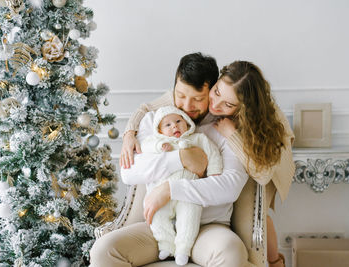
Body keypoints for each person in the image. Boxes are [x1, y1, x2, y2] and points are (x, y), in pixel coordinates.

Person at [118, 58, 295, 267]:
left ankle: (276, 263)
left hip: (268, 165)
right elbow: (148, 107)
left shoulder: (246, 122)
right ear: (215, 84)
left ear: (242, 108)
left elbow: (260, 174)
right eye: (216, 92)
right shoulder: (175, 109)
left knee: (260, 216)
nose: (215, 105)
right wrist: (130, 132)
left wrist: (232, 135)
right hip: (163, 220)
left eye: (228, 104)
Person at [90, 52, 254, 267]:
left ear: (212, 92)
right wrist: (181, 158)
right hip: (156, 226)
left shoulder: (225, 129)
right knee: (104, 250)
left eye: (197, 98)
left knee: (231, 253)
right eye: (181, 95)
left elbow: (229, 186)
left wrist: (170, 189)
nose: (186, 105)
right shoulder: (155, 121)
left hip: (208, 228)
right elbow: (130, 172)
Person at [121, 106, 223, 266]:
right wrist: (159, 147)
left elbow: (214, 154)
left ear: (187, 123)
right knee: (157, 216)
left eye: (178, 121)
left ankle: (183, 248)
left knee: (190, 217)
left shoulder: (198, 139)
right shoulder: (158, 141)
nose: (174, 126)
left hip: (189, 193)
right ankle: (166, 244)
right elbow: (145, 147)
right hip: (160, 195)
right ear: (159, 130)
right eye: (167, 125)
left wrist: (214, 173)